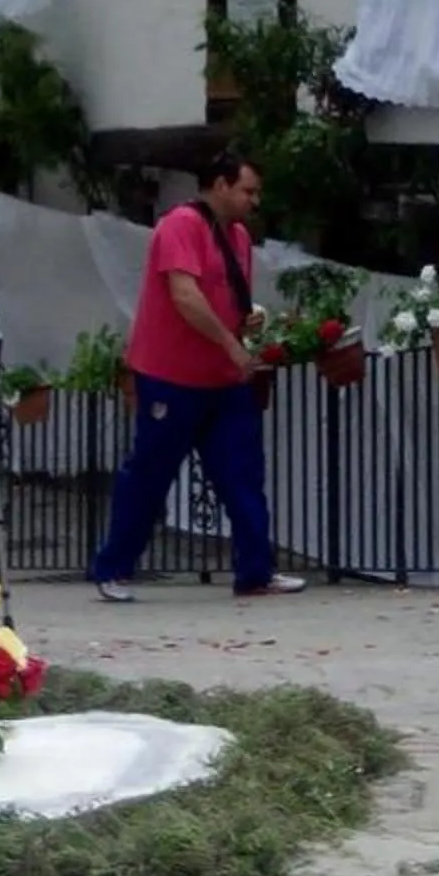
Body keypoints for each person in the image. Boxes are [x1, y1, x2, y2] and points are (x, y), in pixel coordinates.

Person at [92, 149, 305, 605]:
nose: (254, 200)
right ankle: (114, 568)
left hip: (222, 379)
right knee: (150, 474)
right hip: (171, 375)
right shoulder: (181, 225)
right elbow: (185, 296)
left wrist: (244, 322)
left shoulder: (238, 236)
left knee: (243, 475)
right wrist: (232, 345)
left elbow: (220, 295)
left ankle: (256, 571)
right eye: (248, 191)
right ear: (220, 185)